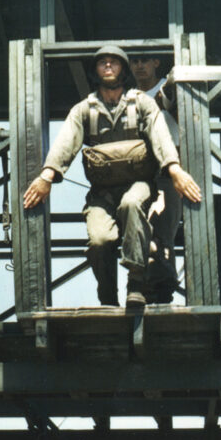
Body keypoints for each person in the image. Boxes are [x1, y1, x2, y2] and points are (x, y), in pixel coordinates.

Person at [23, 46, 202, 307]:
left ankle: (136, 284)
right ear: (95, 71)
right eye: (102, 63)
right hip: (102, 193)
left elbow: (160, 136)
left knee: (132, 206)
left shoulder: (142, 103)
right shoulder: (84, 109)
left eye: (114, 62)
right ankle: (107, 298)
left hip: (139, 184)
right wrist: (46, 177)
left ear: (123, 69)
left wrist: (174, 169)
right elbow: (66, 143)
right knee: (100, 241)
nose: (108, 66)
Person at [129, 54, 181, 303]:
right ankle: (142, 289)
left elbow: (187, 120)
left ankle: (162, 293)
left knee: (163, 233)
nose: (139, 65)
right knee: (139, 231)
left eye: (144, 60)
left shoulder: (168, 89)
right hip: (138, 172)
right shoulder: (128, 97)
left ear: (156, 63)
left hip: (167, 172)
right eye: (134, 61)